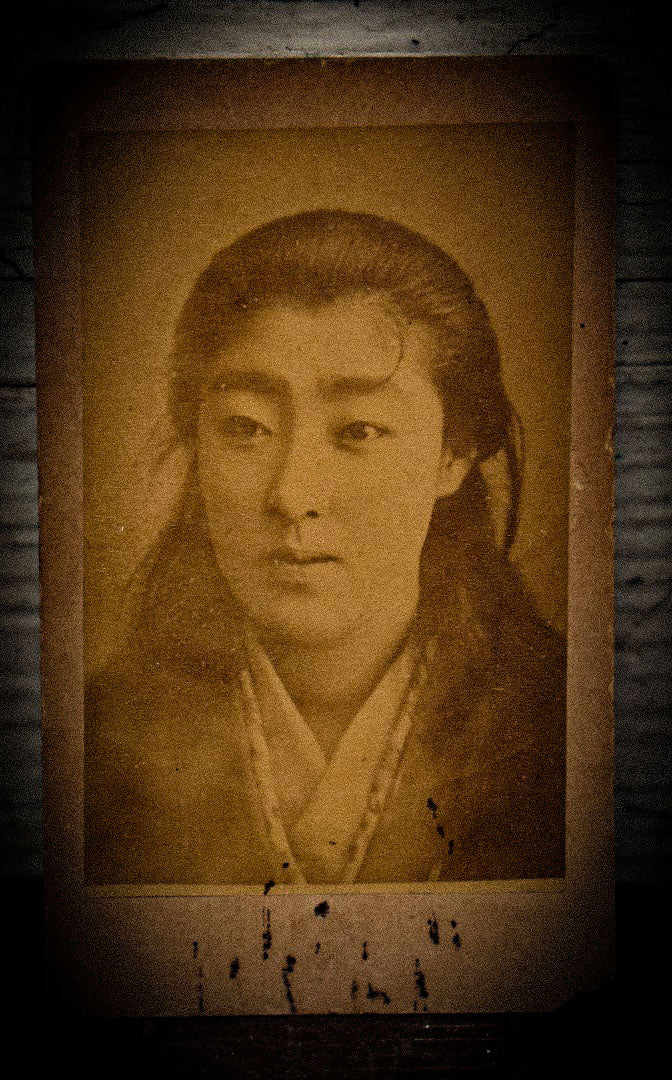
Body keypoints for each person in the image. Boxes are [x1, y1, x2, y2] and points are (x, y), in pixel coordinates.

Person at [85, 209, 565, 886]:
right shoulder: (95, 747)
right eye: (246, 427)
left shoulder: (565, 733)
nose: (293, 494)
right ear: (196, 442)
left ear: (453, 453)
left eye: (359, 430)